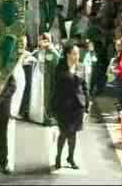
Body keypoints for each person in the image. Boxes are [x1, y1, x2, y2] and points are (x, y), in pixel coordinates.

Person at [52, 41, 89, 170]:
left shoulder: (82, 67)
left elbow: (85, 87)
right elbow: (55, 87)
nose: (77, 56)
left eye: (78, 54)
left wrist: (87, 107)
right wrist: (53, 105)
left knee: (73, 134)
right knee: (64, 133)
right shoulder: (60, 67)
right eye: (74, 54)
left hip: (77, 106)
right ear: (67, 54)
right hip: (63, 105)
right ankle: (58, 156)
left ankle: (71, 158)